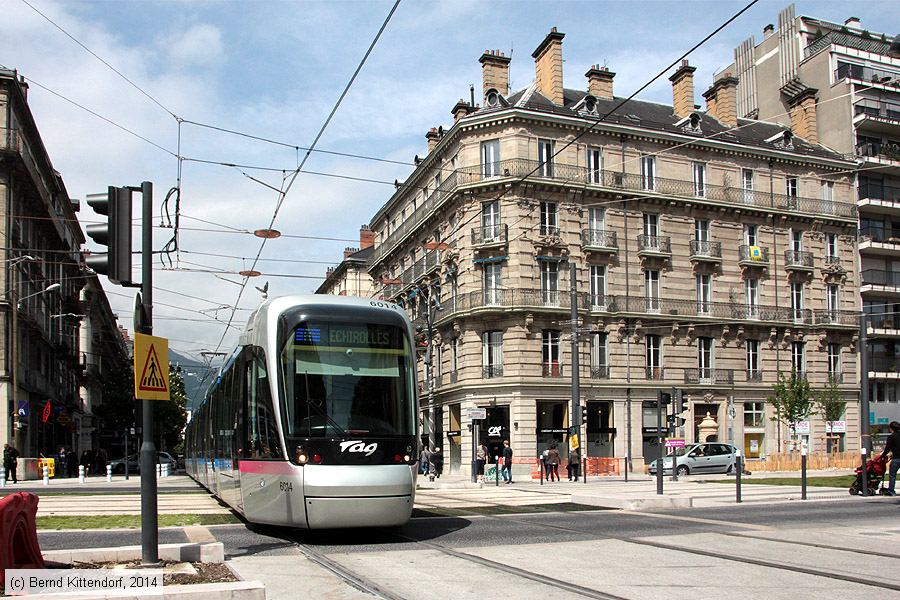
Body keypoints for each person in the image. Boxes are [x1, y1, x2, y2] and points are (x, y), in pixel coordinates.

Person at [881, 421, 900, 497]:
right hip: (896, 456)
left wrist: (883, 456)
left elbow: (887, 448)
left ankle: (891, 491)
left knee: (892, 475)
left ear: (892, 429)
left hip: (896, 459)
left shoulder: (891, 437)